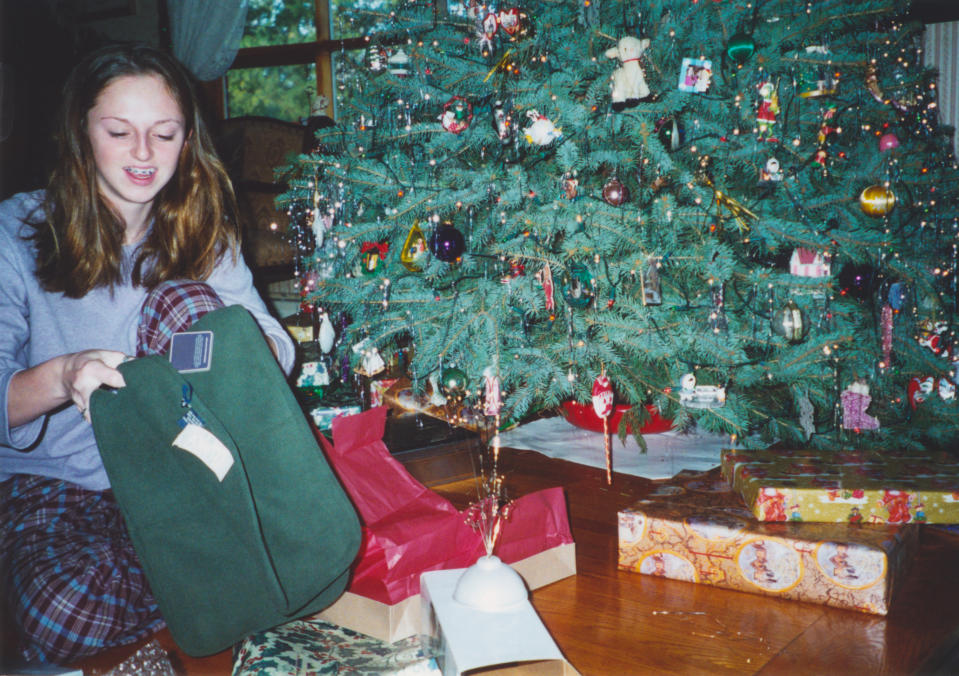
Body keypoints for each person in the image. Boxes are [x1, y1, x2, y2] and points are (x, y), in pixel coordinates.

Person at [0, 43, 295, 664]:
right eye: (119, 132)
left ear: (187, 141)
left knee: (190, 301)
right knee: (66, 611)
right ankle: (212, 582)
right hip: (53, 486)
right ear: (81, 133)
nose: (143, 154)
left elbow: (277, 352)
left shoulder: (201, 231)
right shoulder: (15, 233)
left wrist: (226, 344)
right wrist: (64, 373)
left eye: (164, 134)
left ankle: (208, 575)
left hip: (177, 471)